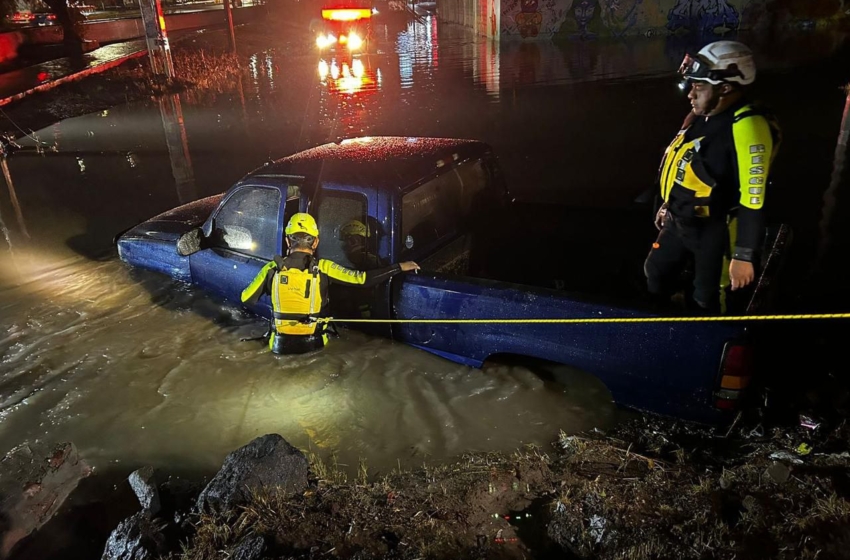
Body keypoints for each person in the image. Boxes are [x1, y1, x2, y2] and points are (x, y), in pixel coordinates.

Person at [644, 40, 781, 314]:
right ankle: (660, 321)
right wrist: (667, 204)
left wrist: (744, 255)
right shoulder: (701, 115)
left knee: (707, 294)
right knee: (654, 270)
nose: (690, 95)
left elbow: (753, 197)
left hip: (714, 228)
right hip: (679, 219)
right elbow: (684, 165)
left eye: (699, 87)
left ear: (725, 88)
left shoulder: (748, 125)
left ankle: (705, 337)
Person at [241, 213, 420, 354]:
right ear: (316, 242)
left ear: (288, 240)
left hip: (279, 346)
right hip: (315, 346)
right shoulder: (324, 267)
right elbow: (362, 279)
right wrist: (398, 267)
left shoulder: (271, 268)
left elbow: (246, 298)